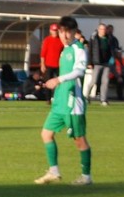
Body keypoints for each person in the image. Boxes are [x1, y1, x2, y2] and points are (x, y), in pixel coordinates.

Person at [34, 17, 93, 186]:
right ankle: (53, 171)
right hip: (60, 101)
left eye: (68, 32)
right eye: (62, 31)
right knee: (46, 133)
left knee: (79, 140)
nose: (65, 35)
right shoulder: (65, 50)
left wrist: (58, 80)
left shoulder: (78, 49)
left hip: (72, 103)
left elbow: (80, 71)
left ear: (75, 32)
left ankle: (86, 176)